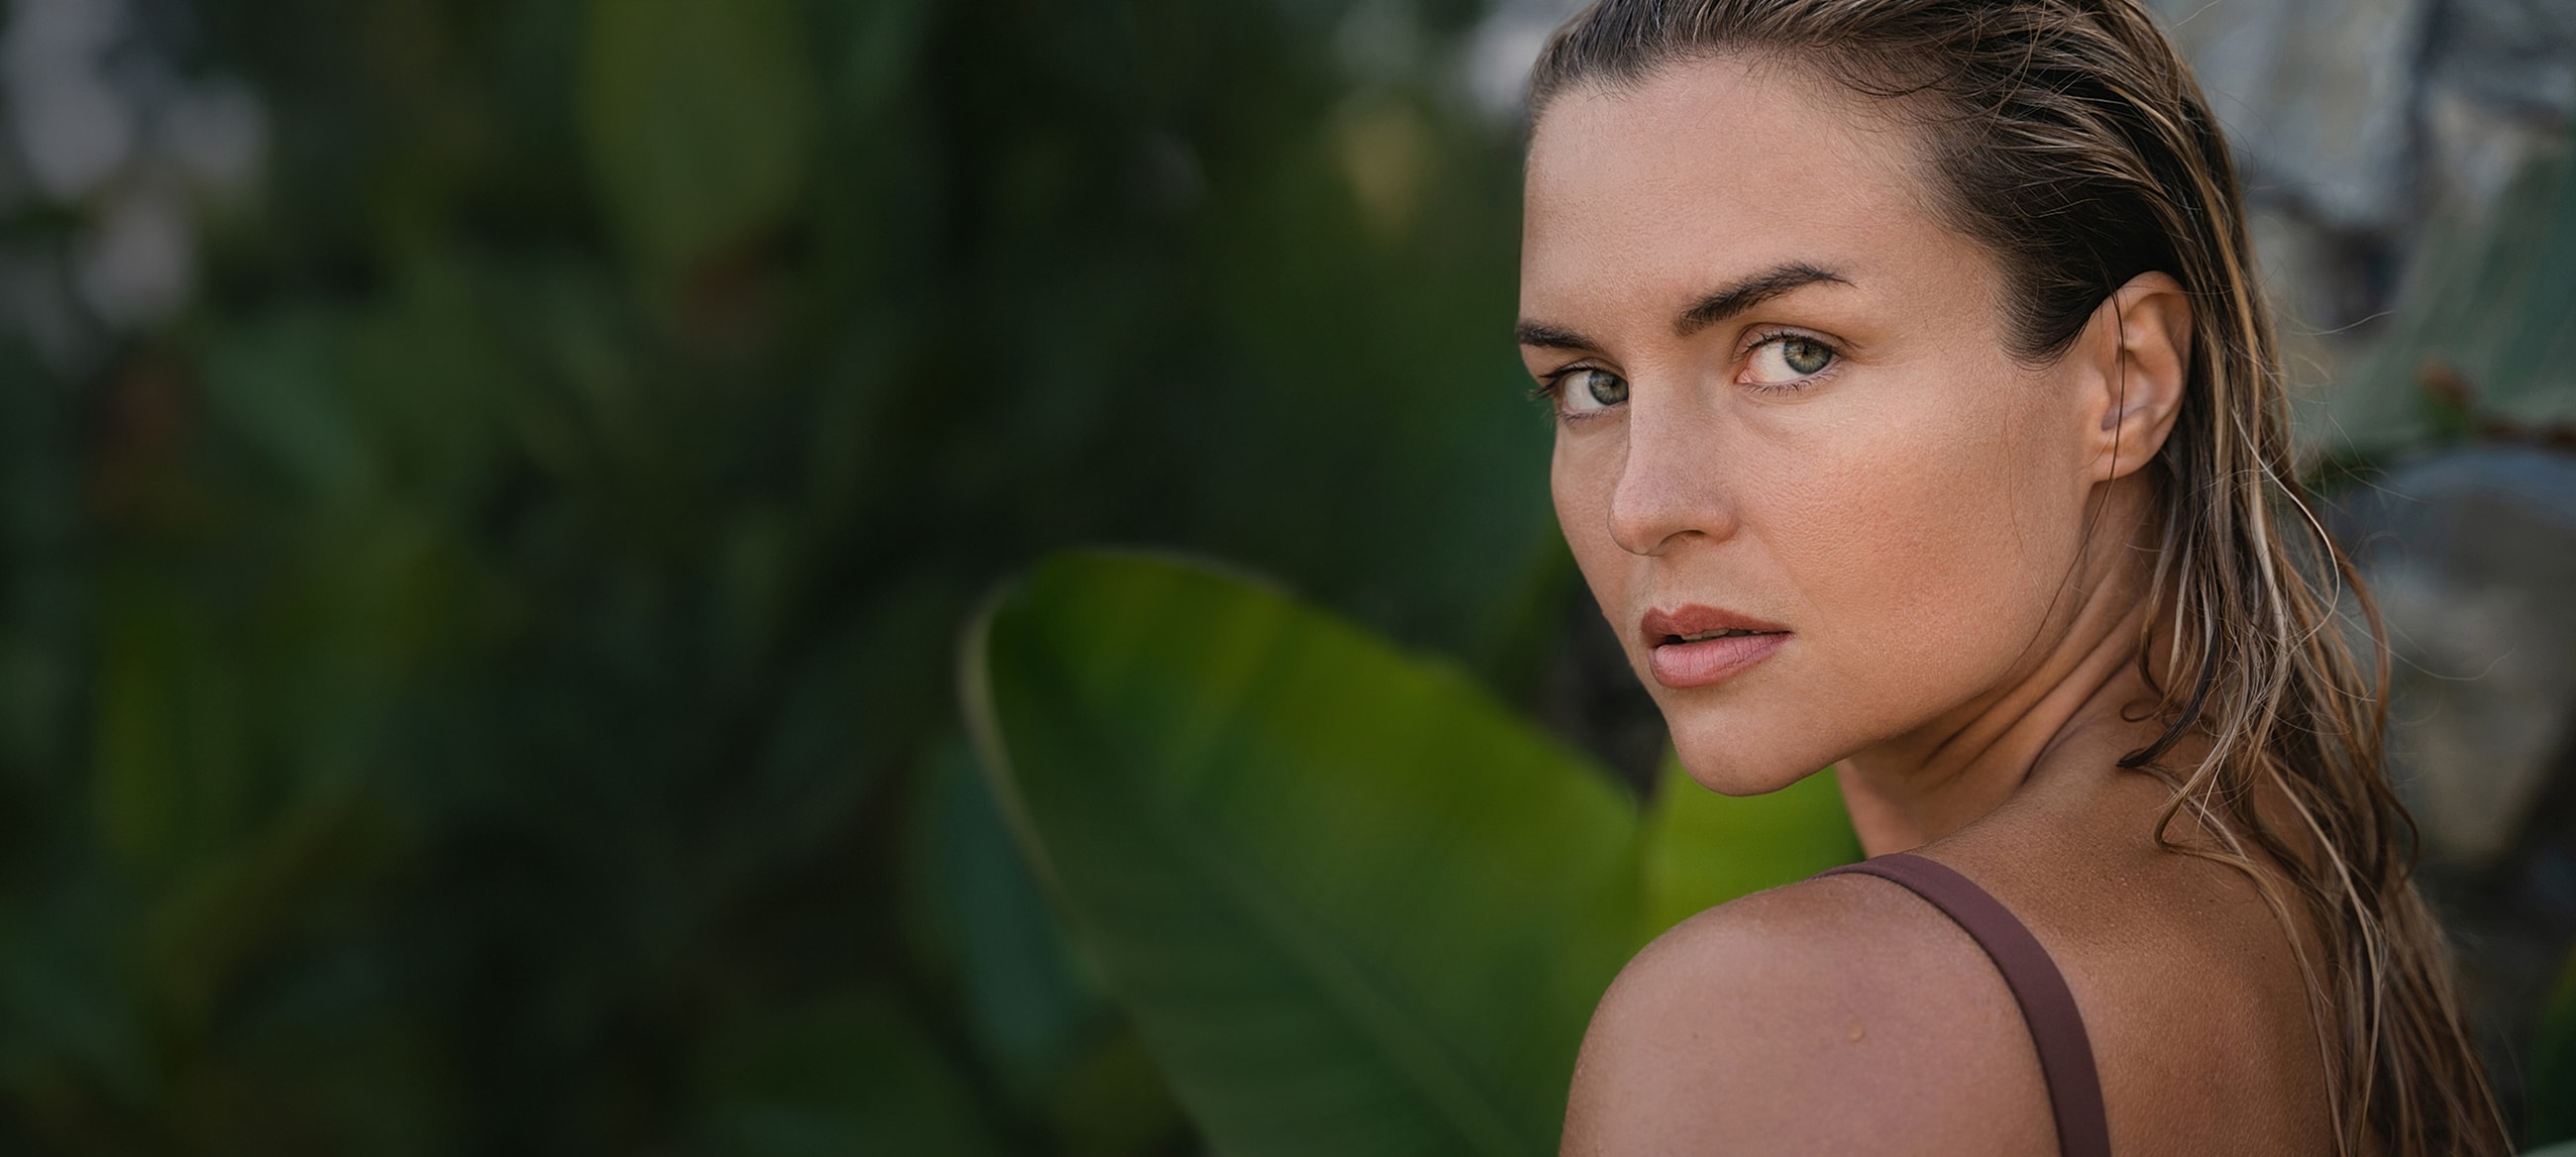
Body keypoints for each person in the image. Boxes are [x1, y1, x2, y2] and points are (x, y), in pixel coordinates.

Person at [1515, 1, 2510, 1153]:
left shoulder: (1789, 1027)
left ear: (2123, 380)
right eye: (1588, 383)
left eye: (1792, 353)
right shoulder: (2293, 874)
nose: (1643, 505)